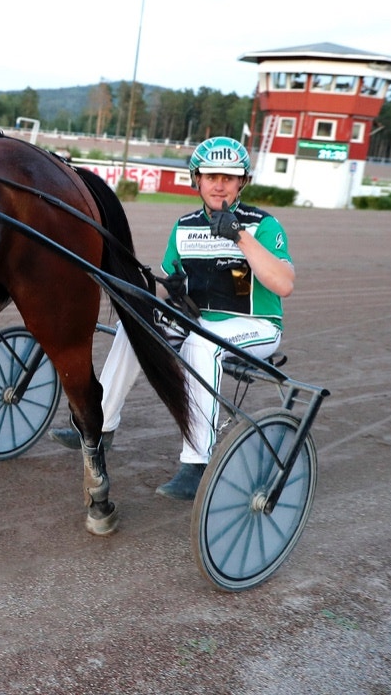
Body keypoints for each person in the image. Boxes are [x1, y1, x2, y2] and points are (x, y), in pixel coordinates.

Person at [50, 136, 295, 500]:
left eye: (228, 178)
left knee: (201, 344)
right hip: (200, 323)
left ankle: (197, 462)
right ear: (197, 179)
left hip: (255, 326)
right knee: (135, 324)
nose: (219, 184)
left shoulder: (263, 225)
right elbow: (167, 286)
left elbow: (284, 284)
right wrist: (168, 291)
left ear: (242, 182)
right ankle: (99, 426)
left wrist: (240, 237)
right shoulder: (185, 226)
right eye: (211, 176)